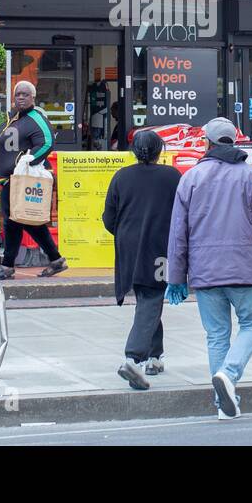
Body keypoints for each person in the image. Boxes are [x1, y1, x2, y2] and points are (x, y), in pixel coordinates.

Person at [166, 116, 252, 420]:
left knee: (217, 335)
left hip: (205, 271)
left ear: (206, 143)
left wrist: (176, 276)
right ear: (234, 142)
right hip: (244, 269)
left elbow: (178, 233)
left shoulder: (191, 179)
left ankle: (223, 402)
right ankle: (229, 374)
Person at [0, 79, 67, 280]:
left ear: (33, 97)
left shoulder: (36, 119)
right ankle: (56, 260)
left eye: (25, 94)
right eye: (17, 94)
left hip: (22, 180)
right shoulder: (11, 120)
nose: (20, 98)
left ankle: (7, 266)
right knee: (27, 221)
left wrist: (27, 161)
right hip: (10, 180)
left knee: (13, 221)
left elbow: (47, 143)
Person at [102, 129, 181, 390]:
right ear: (159, 151)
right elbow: (183, 213)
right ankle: (133, 358)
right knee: (152, 297)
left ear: (133, 151)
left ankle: (155, 357)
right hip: (159, 247)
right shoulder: (172, 176)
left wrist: (126, 233)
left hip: (128, 246)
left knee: (147, 297)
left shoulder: (121, 176)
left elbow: (109, 218)